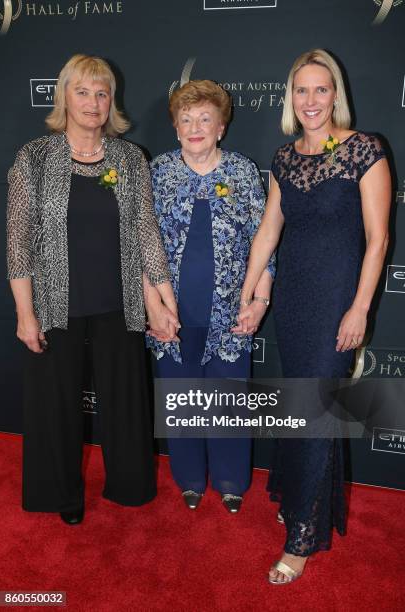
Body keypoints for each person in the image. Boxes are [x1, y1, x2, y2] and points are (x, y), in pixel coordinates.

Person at [236, 49, 391, 583]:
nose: (311, 100)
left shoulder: (364, 150)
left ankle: (303, 535)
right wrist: (251, 288)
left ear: (336, 94)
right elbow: (268, 231)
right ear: (290, 97)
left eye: (320, 89)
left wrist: (360, 308)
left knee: (317, 406)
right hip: (295, 302)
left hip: (335, 302)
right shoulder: (284, 157)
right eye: (301, 90)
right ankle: (303, 496)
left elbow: (379, 241)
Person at [7, 54, 178, 525]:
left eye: (101, 93)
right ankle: (62, 496)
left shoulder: (130, 158)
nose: (93, 102)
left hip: (119, 305)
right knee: (54, 409)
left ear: (111, 102)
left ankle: (130, 486)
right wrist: (25, 314)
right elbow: (18, 243)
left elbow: (146, 234)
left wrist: (161, 302)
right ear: (64, 96)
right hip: (54, 307)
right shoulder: (35, 157)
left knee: (126, 407)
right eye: (82, 91)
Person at [146, 80, 276, 513]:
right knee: (181, 397)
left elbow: (264, 243)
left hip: (231, 312)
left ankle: (231, 479)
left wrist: (259, 302)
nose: (195, 127)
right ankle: (188, 478)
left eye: (205, 118)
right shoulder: (159, 171)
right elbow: (142, 245)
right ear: (175, 127)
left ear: (222, 126)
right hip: (171, 311)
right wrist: (154, 307)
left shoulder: (242, 171)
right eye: (186, 119)